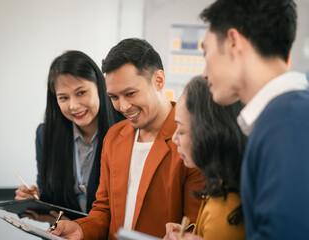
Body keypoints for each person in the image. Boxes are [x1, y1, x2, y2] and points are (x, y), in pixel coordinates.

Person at [50, 38, 205, 239]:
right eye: (114, 97)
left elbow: (196, 224)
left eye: (130, 93)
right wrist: (81, 229)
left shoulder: (191, 139)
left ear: (158, 81)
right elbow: (104, 210)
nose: (123, 107)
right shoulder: (114, 137)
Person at [199, 0, 309, 239]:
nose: (204, 72)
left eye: (206, 53)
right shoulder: (285, 115)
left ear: (233, 42)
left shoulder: (285, 122)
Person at [14, 50, 121, 224]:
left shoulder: (124, 131)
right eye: (63, 98)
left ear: (100, 87)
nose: (73, 106)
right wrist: (33, 198)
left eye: (81, 93)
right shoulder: (46, 135)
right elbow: (48, 194)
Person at [164, 76, 246, 240]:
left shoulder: (224, 210)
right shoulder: (224, 187)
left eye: (180, 130)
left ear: (207, 133)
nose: (174, 139)